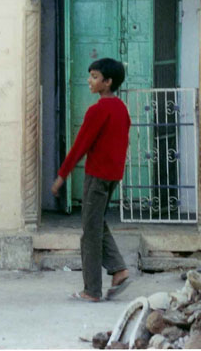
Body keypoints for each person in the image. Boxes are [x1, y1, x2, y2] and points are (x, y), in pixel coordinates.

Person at [51, 58, 131, 302]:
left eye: (95, 76)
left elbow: (80, 146)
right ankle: (118, 270)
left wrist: (62, 175)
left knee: (90, 232)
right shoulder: (121, 108)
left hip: (97, 177)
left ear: (107, 82)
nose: (89, 80)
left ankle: (92, 290)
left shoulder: (97, 110)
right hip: (113, 176)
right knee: (95, 223)